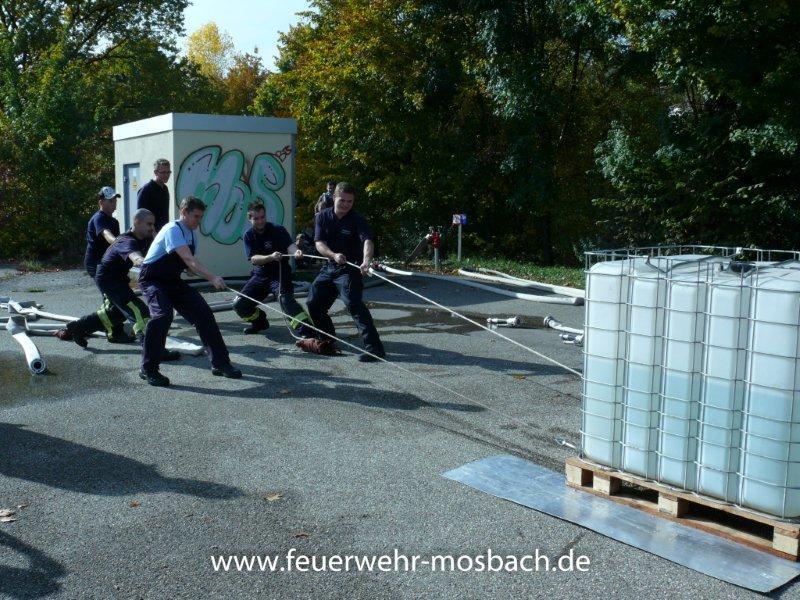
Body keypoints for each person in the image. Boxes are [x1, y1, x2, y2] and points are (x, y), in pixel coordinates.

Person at [137, 196, 242, 386]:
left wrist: (192, 270)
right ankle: (148, 368)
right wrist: (212, 277)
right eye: (196, 216)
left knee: (203, 313)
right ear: (184, 212)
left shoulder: (192, 234)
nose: (198, 221)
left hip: (172, 281)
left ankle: (220, 363)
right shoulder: (172, 229)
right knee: (162, 316)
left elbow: (188, 265)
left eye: (201, 217)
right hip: (152, 279)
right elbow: (189, 259)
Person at [55, 209, 179, 362]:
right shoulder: (127, 241)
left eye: (153, 224)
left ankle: (78, 327)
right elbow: (136, 258)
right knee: (138, 311)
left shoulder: (145, 237)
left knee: (116, 313)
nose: (152, 228)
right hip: (108, 280)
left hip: (118, 279)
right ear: (137, 223)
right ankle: (155, 351)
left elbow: (159, 249)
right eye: (149, 224)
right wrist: (146, 264)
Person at [303, 182, 385, 362]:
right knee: (313, 303)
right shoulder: (322, 216)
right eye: (342, 200)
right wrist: (333, 255)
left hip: (350, 269)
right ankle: (327, 340)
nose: (346, 204)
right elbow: (319, 243)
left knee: (354, 304)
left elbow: (367, 241)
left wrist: (366, 261)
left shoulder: (357, 219)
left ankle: (375, 349)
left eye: (350, 201)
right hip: (330, 267)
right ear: (334, 198)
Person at [233, 202, 312, 337]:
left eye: (262, 217)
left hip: (280, 273)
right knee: (239, 304)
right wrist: (270, 257)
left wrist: (296, 252)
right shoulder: (249, 235)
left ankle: (307, 331)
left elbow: (290, 245)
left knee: (285, 301)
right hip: (261, 275)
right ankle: (259, 322)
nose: (260, 221)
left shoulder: (278, 230)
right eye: (256, 218)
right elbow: (254, 259)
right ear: (249, 218)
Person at [83, 186, 131, 343]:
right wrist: (119, 243)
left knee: (113, 296)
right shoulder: (99, 218)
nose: (114, 203)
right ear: (101, 202)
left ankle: (85, 327)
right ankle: (113, 333)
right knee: (109, 297)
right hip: (95, 263)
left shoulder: (113, 221)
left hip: (106, 263)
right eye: (110, 201)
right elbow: (107, 235)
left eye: (115, 200)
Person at [137, 158, 171, 232]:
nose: (166, 175)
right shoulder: (146, 190)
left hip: (162, 232)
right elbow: (140, 215)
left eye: (168, 172)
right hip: (149, 233)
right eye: (163, 172)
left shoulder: (165, 189)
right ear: (155, 172)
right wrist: (152, 233)